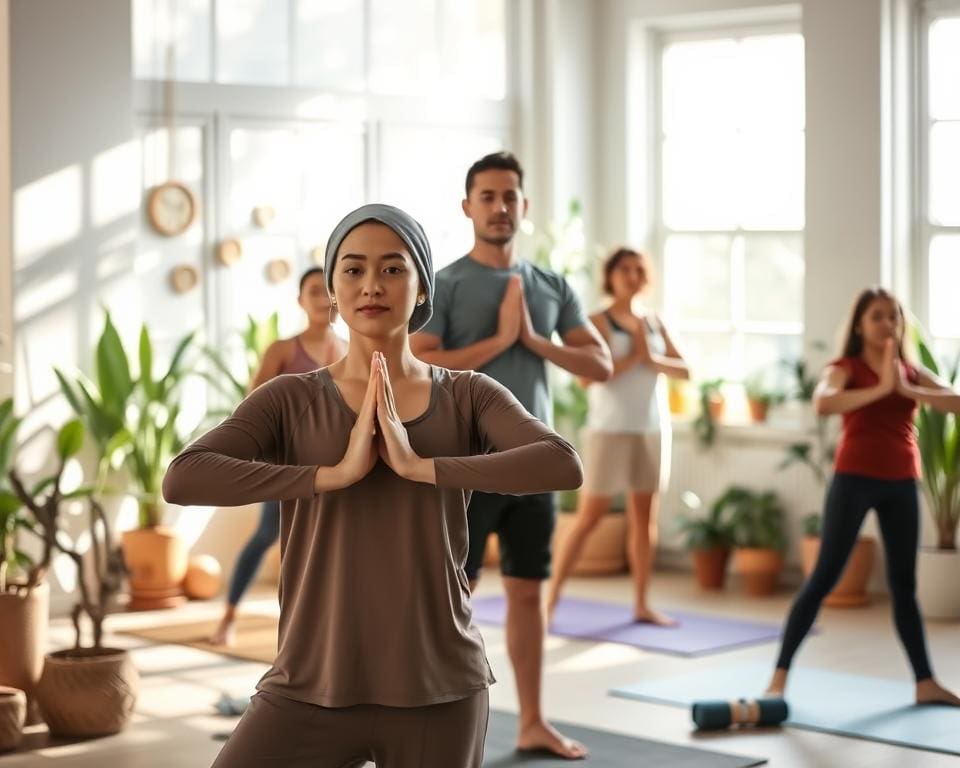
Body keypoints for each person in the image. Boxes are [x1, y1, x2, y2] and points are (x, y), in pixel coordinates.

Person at [163, 203, 583, 768]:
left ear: (422, 288)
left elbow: (562, 464)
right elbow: (184, 477)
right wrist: (328, 477)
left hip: (438, 688)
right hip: (309, 683)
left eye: (392, 268)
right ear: (331, 291)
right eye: (353, 269)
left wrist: (423, 466)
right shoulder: (290, 399)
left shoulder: (468, 395)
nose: (372, 286)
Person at [411, 152, 612, 759]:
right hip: (466, 467)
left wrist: (532, 341)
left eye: (510, 197)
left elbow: (599, 364)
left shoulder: (550, 286)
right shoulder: (443, 284)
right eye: (488, 196)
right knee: (453, 597)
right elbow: (418, 362)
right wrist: (497, 341)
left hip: (533, 464)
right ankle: (431, 723)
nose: (500, 207)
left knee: (527, 593)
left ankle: (532, 721)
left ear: (524, 206)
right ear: (467, 207)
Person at [765, 287, 960, 707]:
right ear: (859, 324)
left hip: (901, 481)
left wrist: (907, 391)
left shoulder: (909, 371)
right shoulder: (845, 367)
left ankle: (925, 682)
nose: (888, 324)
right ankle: (778, 679)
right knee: (822, 580)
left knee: (903, 586)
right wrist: (880, 390)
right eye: (877, 316)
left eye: (893, 316)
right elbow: (823, 403)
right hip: (854, 478)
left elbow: (956, 401)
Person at [547, 248, 689, 626]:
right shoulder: (596, 321)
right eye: (623, 269)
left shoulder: (654, 321)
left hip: (652, 429)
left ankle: (642, 604)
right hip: (609, 431)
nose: (631, 275)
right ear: (610, 277)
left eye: (638, 269)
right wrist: (633, 359)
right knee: (589, 517)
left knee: (646, 520)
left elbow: (685, 370)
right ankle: (550, 601)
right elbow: (585, 377)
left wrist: (651, 359)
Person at [209, 267, 346, 646]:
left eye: (328, 291)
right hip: (284, 465)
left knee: (330, 543)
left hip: (335, 466)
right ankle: (229, 617)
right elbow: (251, 409)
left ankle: (319, 629)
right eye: (314, 291)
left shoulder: (351, 350)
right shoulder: (283, 350)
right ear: (301, 300)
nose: (323, 299)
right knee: (269, 534)